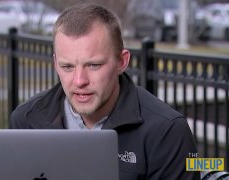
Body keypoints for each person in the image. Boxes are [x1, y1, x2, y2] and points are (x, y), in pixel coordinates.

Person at [10, 3, 200, 180]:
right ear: (55, 64)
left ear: (122, 62)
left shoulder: (167, 132)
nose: (79, 81)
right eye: (67, 66)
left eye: (93, 65)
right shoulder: (26, 119)